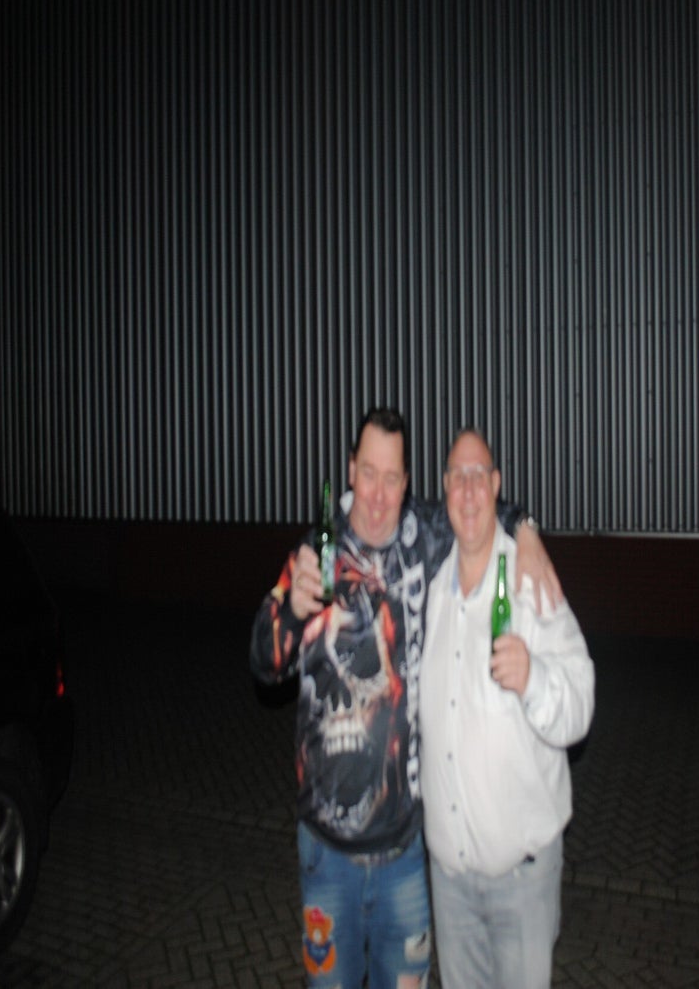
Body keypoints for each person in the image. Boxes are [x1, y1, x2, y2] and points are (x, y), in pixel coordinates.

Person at [249, 407, 561, 989]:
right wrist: (289, 611)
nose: (377, 495)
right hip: (327, 854)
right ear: (350, 470)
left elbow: (478, 503)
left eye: (392, 479)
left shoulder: (424, 539)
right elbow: (264, 666)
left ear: (407, 483)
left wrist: (527, 529)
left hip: (404, 857)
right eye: (368, 473)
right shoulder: (315, 555)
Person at [419, 428, 595, 989]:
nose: (469, 490)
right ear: (445, 489)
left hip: (522, 883)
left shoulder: (527, 576)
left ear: (496, 486)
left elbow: (582, 701)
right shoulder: (430, 588)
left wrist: (536, 679)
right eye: (458, 477)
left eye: (480, 476)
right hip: (449, 884)